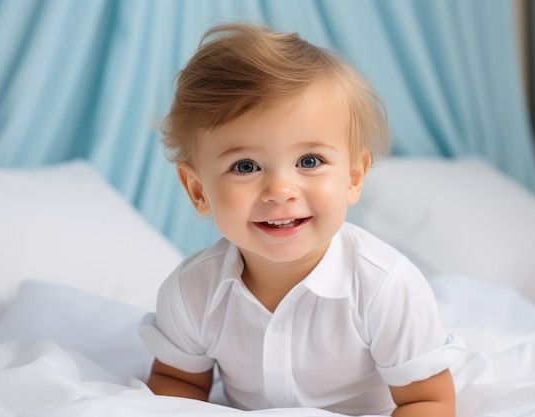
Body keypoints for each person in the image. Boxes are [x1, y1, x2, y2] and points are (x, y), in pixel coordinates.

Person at [140, 22, 464, 417]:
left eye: (309, 161)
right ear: (198, 190)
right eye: (246, 166)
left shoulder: (384, 286)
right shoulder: (191, 291)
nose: (280, 190)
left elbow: (427, 399)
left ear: (354, 177)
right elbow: (180, 382)